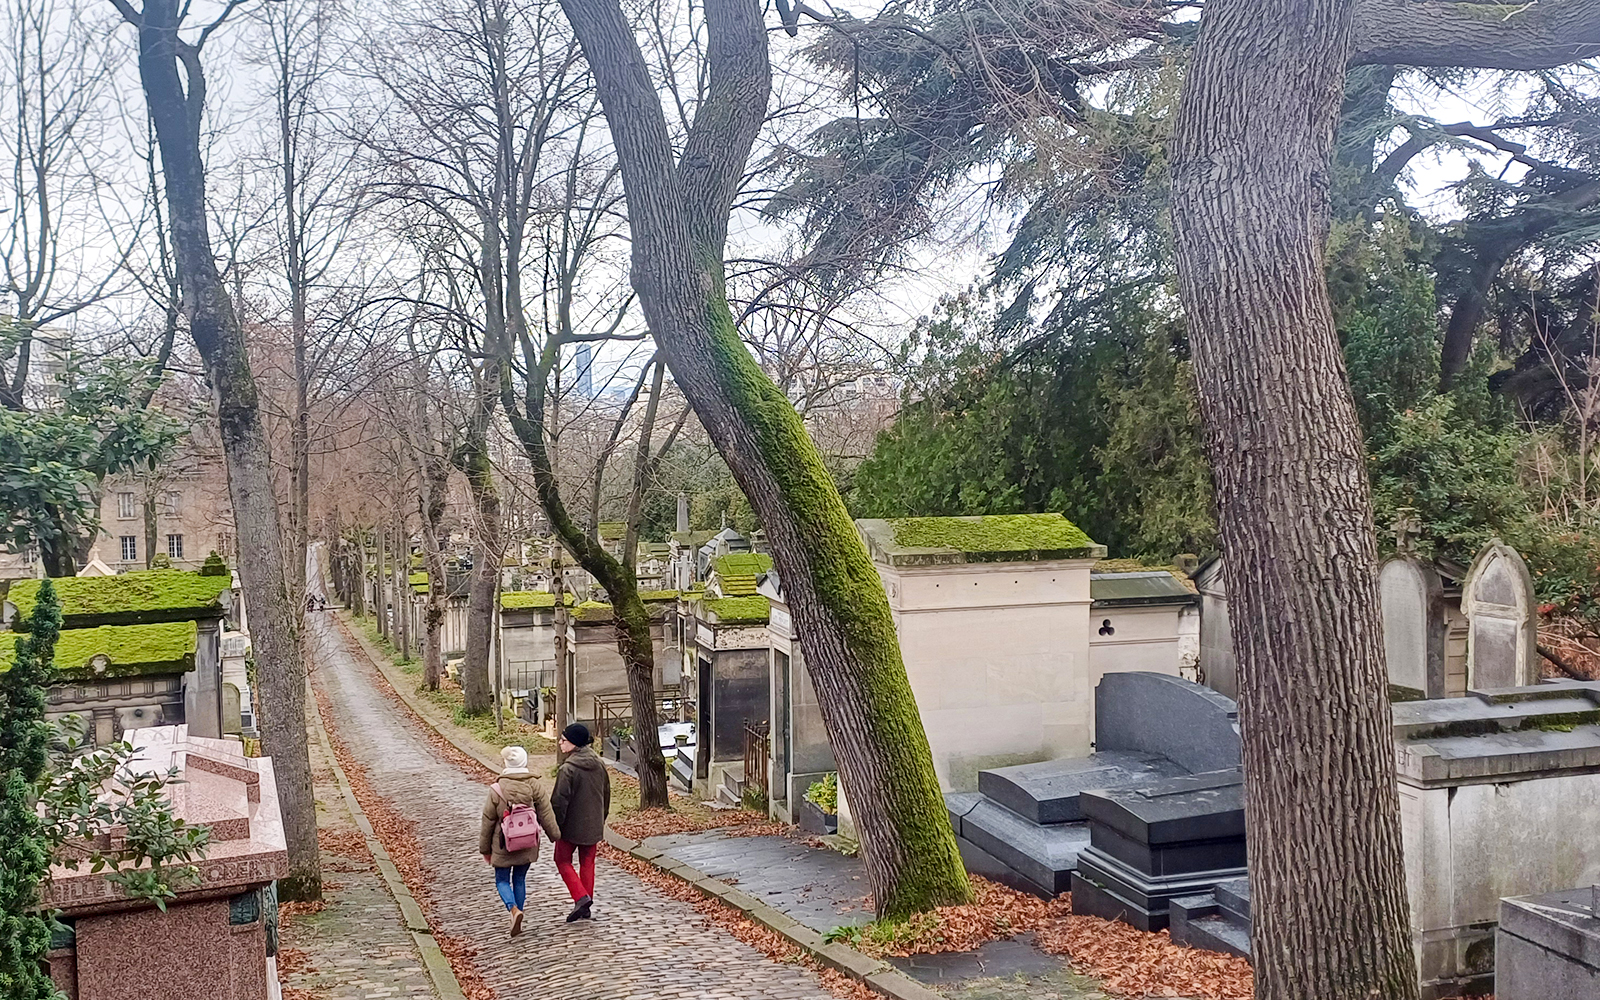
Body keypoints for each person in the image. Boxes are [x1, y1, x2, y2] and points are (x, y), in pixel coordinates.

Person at [478, 745, 560, 936]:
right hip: (528, 841)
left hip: (503, 843)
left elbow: (488, 820)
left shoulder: (497, 789)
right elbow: (546, 813)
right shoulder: (534, 785)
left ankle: (513, 910)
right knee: (520, 878)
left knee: (502, 880)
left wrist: (485, 850)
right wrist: (554, 835)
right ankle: (518, 914)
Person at [551, 723, 610, 922]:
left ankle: (581, 897)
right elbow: (606, 794)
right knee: (588, 863)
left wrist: (555, 826)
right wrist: (601, 818)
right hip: (593, 823)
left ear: (574, 744)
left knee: (562, 860)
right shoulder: (599, 763)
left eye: (564, 740)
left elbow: (559, 801)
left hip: (570, 826)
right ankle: (586, 903)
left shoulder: (567, 769)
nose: (560, 742)